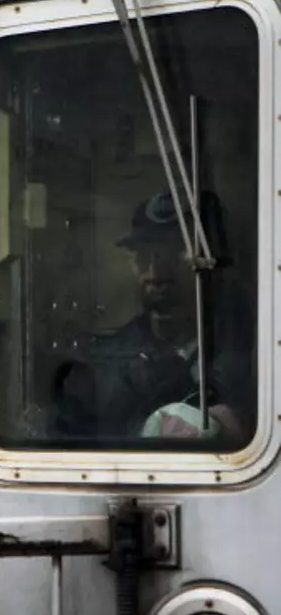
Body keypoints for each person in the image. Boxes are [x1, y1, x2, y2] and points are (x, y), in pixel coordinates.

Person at [51, 190, 254, 446]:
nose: (157, 274)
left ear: (214, 263)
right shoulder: (101, 368)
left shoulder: (259, 356)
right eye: (145, 257)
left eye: (178, 253)